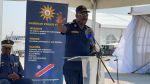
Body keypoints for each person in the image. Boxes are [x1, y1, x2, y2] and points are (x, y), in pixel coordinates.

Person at [56, 5, 96, 84]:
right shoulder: (71, 26)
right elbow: (62, 29)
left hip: (84, 66)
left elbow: (92, 45)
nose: (85, 17)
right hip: (71, 65)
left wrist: (95, 51)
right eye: (82, 14)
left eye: (86, 15)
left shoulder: (88, 30)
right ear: (76, 15)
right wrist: (59, 24)